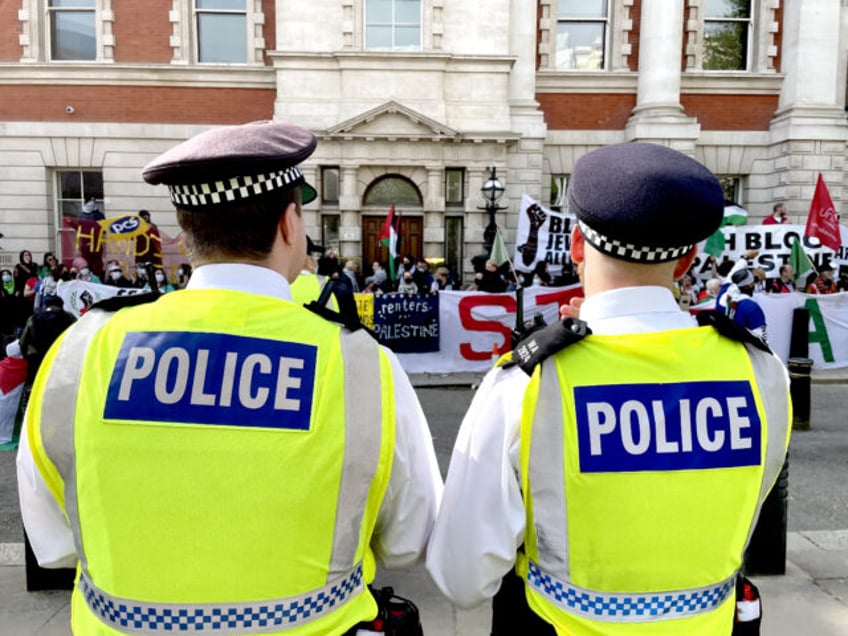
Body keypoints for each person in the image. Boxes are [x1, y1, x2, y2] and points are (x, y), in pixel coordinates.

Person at [17, 119, 442, 636]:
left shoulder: (83, 348)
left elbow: (54, 544)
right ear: (289, 223)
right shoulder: (359, 359)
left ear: (184, 230)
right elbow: (408, 539)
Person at [427, 142, 791, 636]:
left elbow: (461, 576)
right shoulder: (761, 372)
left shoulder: (526, 382)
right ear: (685, 262)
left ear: (578, 246)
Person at [716, 268, 768, 343]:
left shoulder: (723, 293)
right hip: (743, 350)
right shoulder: (751, 307)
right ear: (750, 285)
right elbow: (761, 339)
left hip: (724, 346)